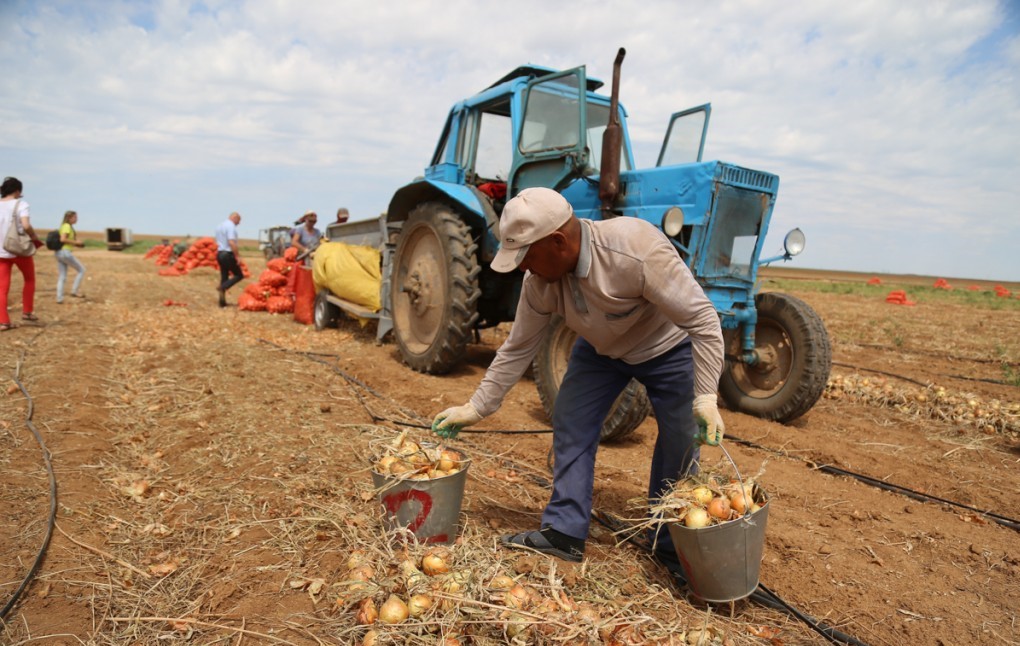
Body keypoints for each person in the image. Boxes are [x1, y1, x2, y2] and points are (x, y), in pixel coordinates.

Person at [431, 187, 725, 572]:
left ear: (557, 241)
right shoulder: (540, 282)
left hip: (667, 349)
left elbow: (703, 321)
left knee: (679, 442)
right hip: (601, 353)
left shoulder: (634, 249)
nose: (522, 268)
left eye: (526, 256)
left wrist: (705, 397)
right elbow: (517, 347)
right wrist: (477, 406)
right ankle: (564, 532)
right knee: (570, 421)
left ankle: (671, 547)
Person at [0, 176, 43, 331]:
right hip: (19, 250)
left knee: (2, 288)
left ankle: (4, 321)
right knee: (29, 279)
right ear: (17, 191)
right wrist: (33, 236)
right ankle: (27, 312)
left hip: (1, 252)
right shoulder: (21, 204)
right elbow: (25, 225)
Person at [55, 210, 87, 304]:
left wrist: (77, 244)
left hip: (60, 253)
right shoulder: (67, 226)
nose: (77, 219)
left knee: (62, 276)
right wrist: (76, 242)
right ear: (69, 218)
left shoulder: (66, 226)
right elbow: (63, 239)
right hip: (65, 253)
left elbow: (66, 240)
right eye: (75, 217)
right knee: (82, 270)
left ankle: (59, 298)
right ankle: (74, 291)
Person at [214, 212, 244, 308]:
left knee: (224, 277)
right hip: (227, 254)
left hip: (220, 254)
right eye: (238, 221)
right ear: (234, 218)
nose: (238, 224)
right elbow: (231, 242)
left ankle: (222, 303)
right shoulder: (230, 226)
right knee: (239, 275)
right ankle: (222, 287)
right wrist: (238, 256)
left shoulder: (220, 226)